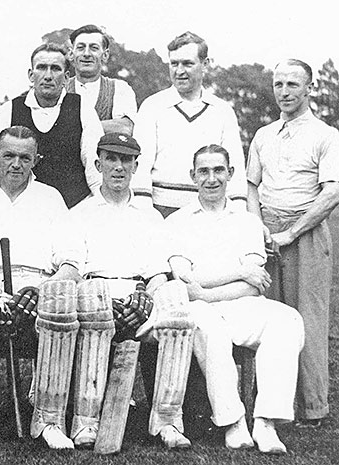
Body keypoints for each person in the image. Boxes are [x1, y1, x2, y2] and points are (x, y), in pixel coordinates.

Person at [0, 126, 84, 451]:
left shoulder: (51, 198)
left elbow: (71, 266)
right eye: (9, 155)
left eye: (25, 157)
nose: (16, 164)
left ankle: (49, 420)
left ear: (36, 159)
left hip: (40, 286)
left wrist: (41, 289)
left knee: (60, 302)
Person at [169, 144, 304, 454]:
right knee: (209, 329)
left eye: (219, 170)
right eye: (204, 171)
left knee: (286, 319)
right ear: (193, 176)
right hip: (200, 309)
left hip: (240, 304)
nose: (212, 178)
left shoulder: (247, 221)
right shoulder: (177, 221)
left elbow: (255, 285)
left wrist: (210, 286)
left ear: (230, 174)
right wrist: (237, 271)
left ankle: (266, 422)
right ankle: (233, 422)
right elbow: (186, 282)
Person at [71, 133, 195, 450]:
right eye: (111, 159)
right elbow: (75, 272)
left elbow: (156, 275)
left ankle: (168, 421)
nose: (118, 167)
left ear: (135, 166)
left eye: (126, 160)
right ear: (98, 164)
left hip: (140, 301)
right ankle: (86, 421)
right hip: (95, 296)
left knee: (177, 303)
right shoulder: (79, 214)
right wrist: (105, 300)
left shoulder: (150, 216)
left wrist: (147, 298)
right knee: (96, 304)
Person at [247, 59, 339, 428]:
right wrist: (258, 228)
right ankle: (270, 404)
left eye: (292, 85)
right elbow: (252, 186)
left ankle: (312, 408)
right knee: (267, 318)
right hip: (267, 232)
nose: (284, 92)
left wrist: (292, 231)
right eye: (278, 84)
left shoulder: (326, 135)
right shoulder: (263, 135)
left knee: (308, 319)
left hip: (307, 233)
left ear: (309, 88)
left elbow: (332, 193)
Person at [0, 43, 103, 208]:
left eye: (55, 69)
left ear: (66, 77)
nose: (48, 76)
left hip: (75, 208)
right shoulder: (10, 110)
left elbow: (95, 166)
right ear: (31, 75)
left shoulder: (82, 108)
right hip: (27, 211)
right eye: (41, 68)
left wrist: (102, 208)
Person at [132, 31, 246, 217]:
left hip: (210, 211)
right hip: (160, 209)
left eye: (187, 64)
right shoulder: (152, 106)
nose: (179, 71)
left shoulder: (223, 110)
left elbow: (236, 170)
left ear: (205, 64)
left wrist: (237, 213)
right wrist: (145, 213)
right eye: (174, 64)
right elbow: (140, 167)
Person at [67, 24, 137, 135]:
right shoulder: (60, 88)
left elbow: (125, 128)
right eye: (80, 48)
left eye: (94, 48)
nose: (86, 54)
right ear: (71, 54)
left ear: (105, 55)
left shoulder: (119, 88)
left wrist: (71, 128)